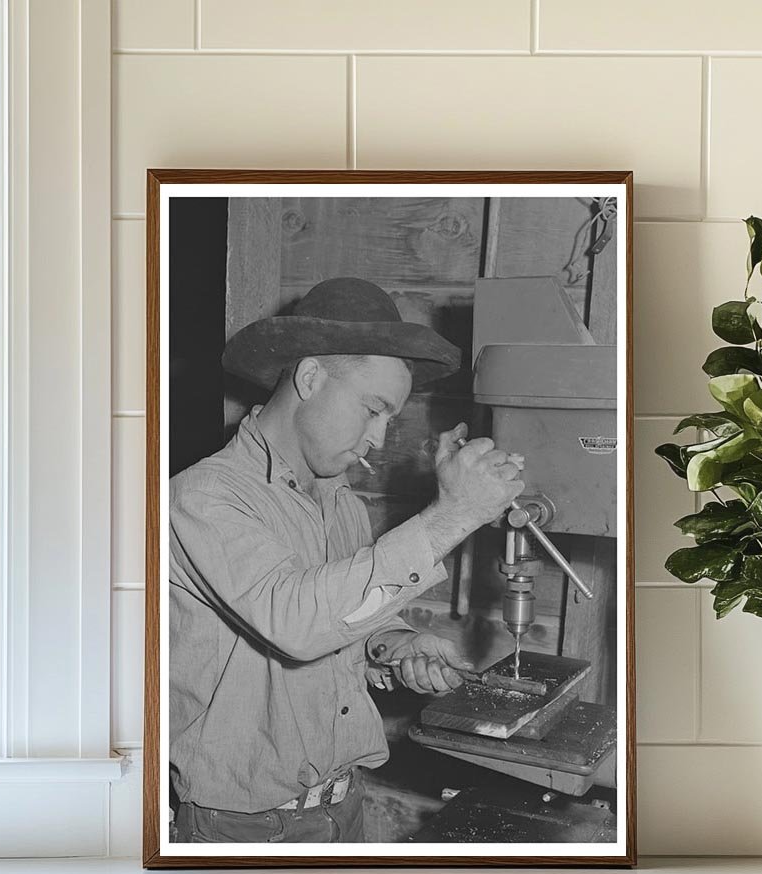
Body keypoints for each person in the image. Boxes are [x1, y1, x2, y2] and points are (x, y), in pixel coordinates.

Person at [169, 277, 524, 843]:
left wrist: (394, 644)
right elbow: (297, 624)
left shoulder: (343, 506)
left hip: (344, 804)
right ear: (310, 378)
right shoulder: (204, 497)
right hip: (240, 828)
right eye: (373, 409)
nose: (379, 439)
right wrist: (454, 514)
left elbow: (345, 623)